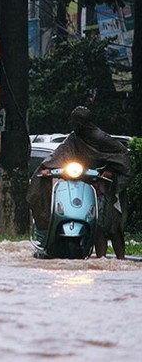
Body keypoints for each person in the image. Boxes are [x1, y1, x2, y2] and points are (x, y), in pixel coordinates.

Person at [28, 106, 131, 259]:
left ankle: (120, 258)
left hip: (105, 185)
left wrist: (109, 169)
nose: (73, 124)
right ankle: (100, 259)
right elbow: (60, 153)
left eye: (76, 121)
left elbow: (121, 155)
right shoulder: (74, 138)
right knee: (96, 225)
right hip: (86, 184)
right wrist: (46, 167)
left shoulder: (100, 137)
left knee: (112, 225)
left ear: (84, 122)